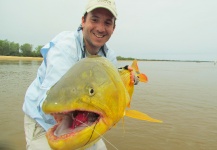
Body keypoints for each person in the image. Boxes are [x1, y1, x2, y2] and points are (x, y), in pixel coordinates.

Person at [22, 0, 137, 149]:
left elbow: (114, 88)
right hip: (44, 123)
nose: (100, 28)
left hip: (83, 119)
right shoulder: (64, 48)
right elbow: (50, 100)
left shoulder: (109, 57)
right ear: (83, 21)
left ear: (113, 28)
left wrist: (127, 74)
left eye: (107, 23)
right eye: (94, 19)